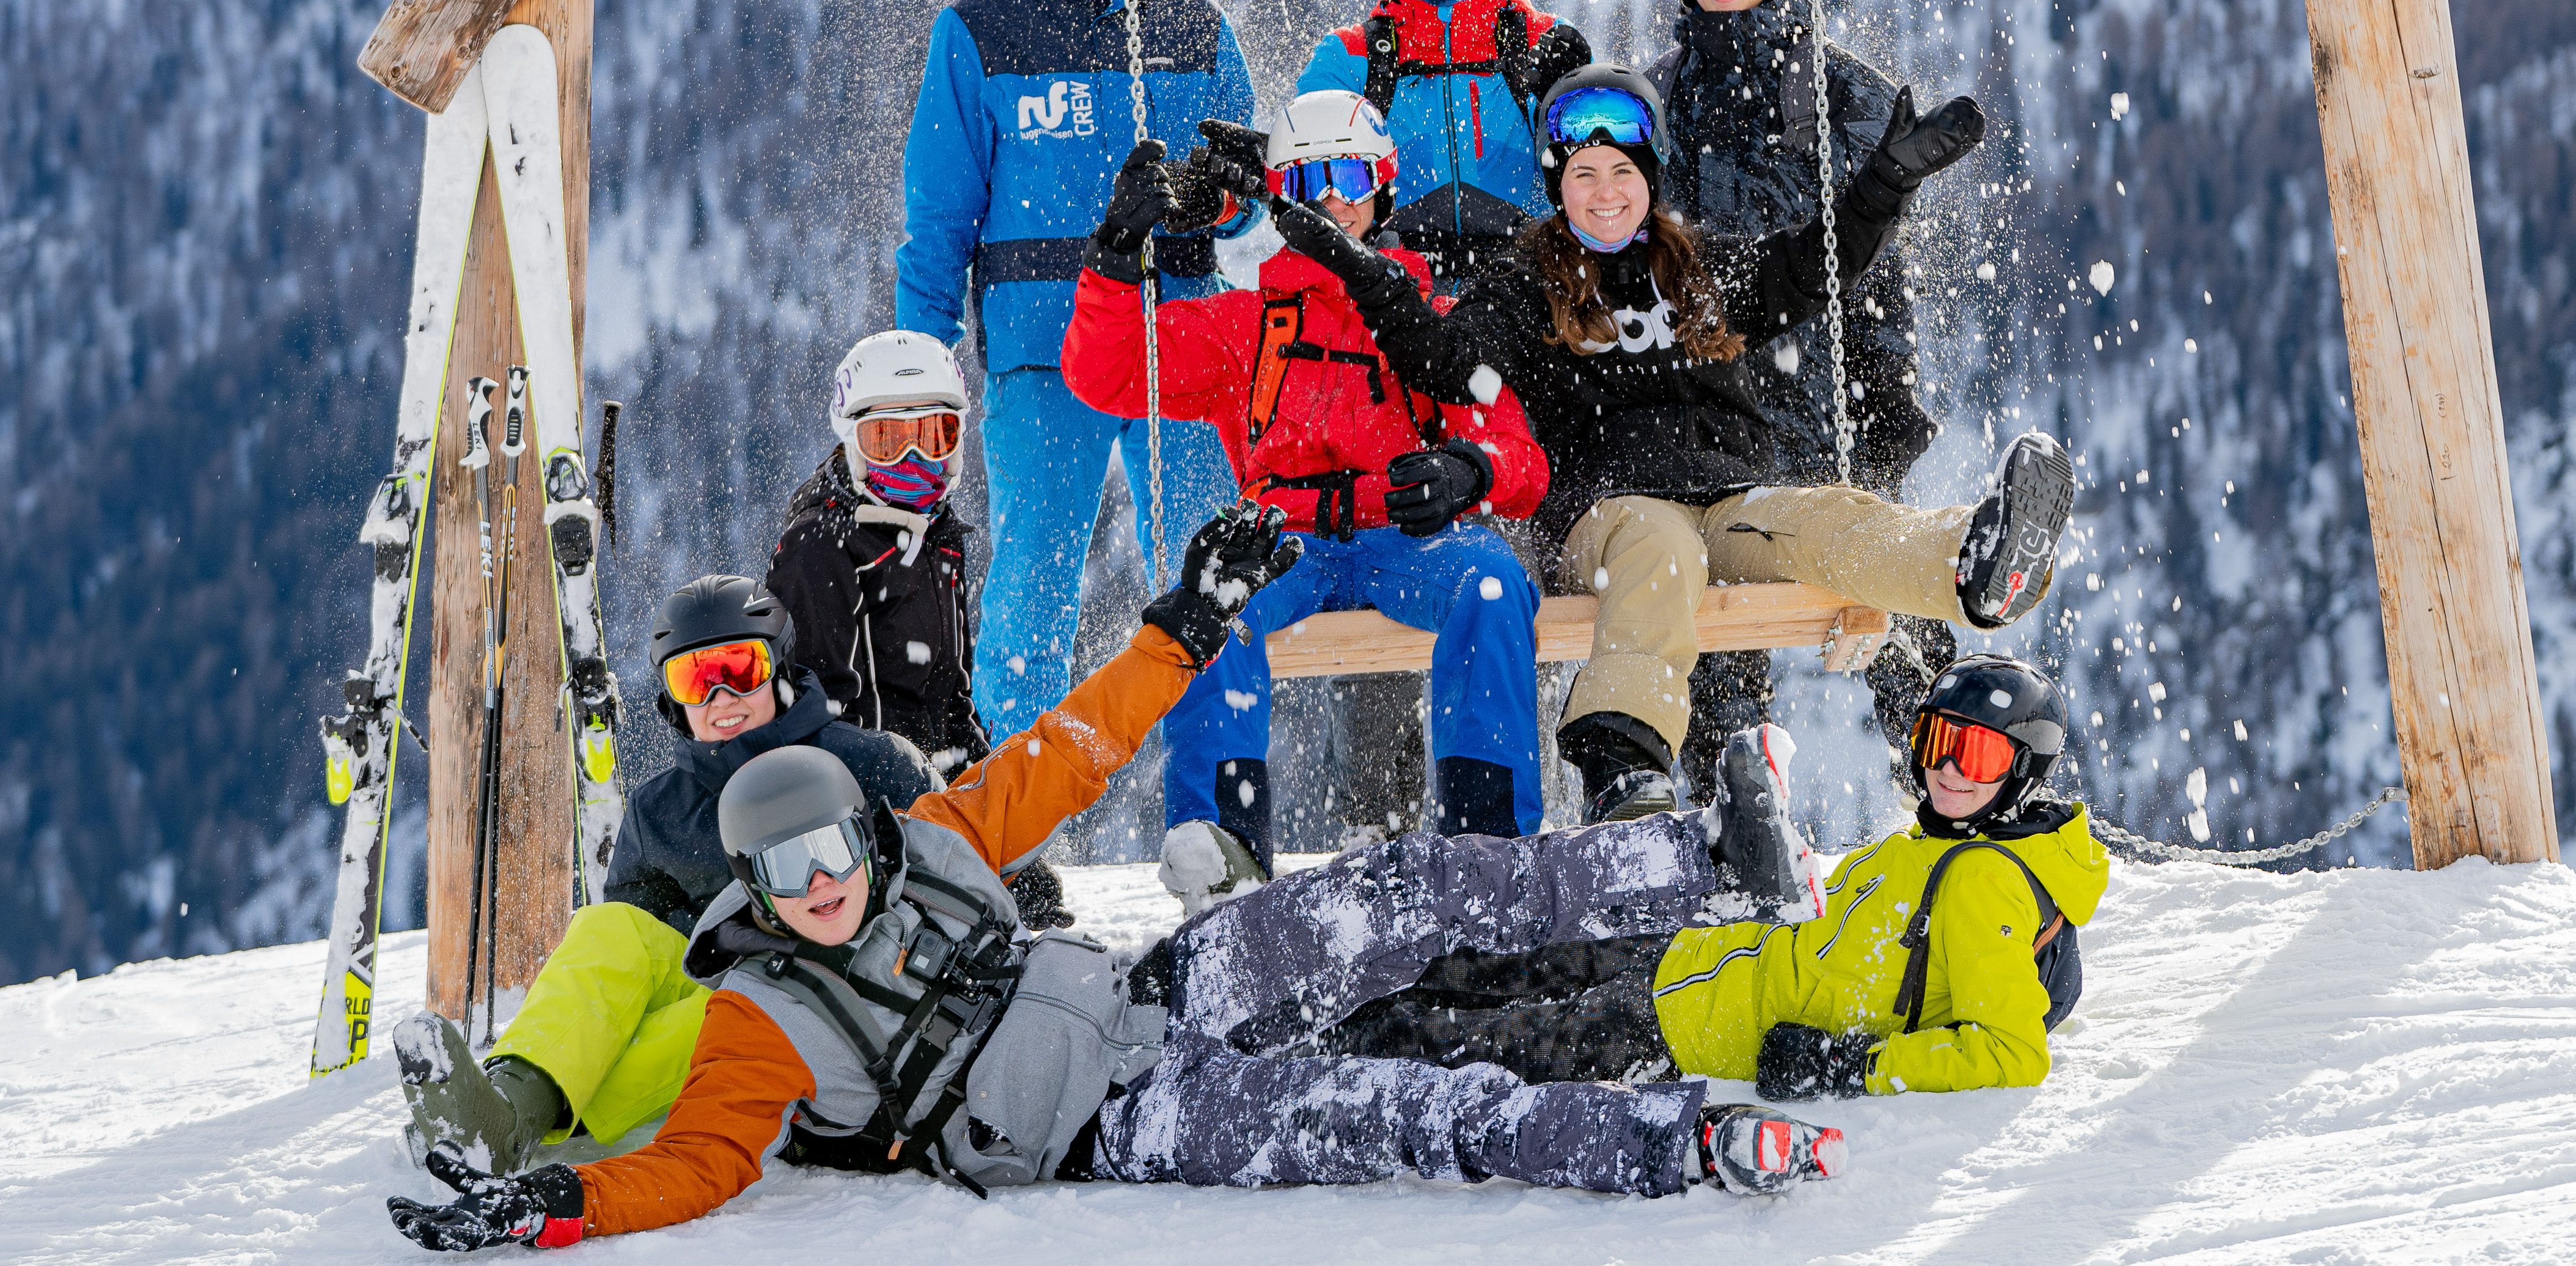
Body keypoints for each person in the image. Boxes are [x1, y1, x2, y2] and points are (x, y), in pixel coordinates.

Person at [384, 515, 1847, 1248]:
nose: (822, 888)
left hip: (1142, 990)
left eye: (833, 849)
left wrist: (1186, 622)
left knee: (1394, 889)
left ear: (862, 828)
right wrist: (553, 1200)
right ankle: (1690, 1145)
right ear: (752, 896)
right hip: (1112, 1116)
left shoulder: (936, 833)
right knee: (1398, 1110)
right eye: (787, 878)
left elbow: (1075, 749)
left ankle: (1706, 854)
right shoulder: (762, 1018)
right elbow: (694, 1162)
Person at [1257, 61, 2078, 822]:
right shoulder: (1525, 286)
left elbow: (1815, 267)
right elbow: (1442, 363)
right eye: (1583, 175)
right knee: (1658, 550)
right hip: (1603, 517)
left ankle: (1973, 560)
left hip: (1727, 501)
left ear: (1649, 179)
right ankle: (1625, 760)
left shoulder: (1703, 267)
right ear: (1557, 186)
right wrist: (1354, 262)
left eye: (1622, 172)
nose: (1605, 194)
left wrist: (1884, 184)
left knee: (1822, 520)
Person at [1065, 94, 1550, 913]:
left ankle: (1487, 837)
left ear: (1385, 190)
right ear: (1285, 198)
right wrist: (1116, 255)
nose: (1334, 201)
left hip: (1410, 533)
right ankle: (1223, 842)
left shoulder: (1425, 320)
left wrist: (1472, 470)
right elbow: (1109, 372)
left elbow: (1521, 457)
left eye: (1352, 178)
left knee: (1494, 588)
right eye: (1312, 181)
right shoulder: (1249, 326)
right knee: (1213, 602)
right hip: (1285, 534)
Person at [894, 0, 1263, 740]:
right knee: (1032, 588)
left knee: (1208, 579)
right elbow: (938, 222)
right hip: (1043, 346)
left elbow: (1256, 220)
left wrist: (1220, 201)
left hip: (1180, 338)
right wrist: (920, 376)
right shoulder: (979, 29)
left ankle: (1214, 809)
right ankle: (1010, 832)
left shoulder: (1195, 26)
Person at [1326, 655, 2105, 1098]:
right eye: (1938, 739)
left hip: (1692, 1030)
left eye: (1977, 755)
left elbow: (2011, 1051)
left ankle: (1289, 1051)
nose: (1945, 769)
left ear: (2026, 770)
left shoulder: (1986, 881)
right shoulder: (1938, 844)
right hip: (1691, 959)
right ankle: (1310, 997)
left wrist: (1854, 1066)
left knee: (1466, 1039)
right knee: (1482, 968)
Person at [391, 576, 942, 1175]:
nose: (722, 695)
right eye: (695, 679)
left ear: (779, 668)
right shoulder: (661, 809)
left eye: (740, 666)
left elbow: (954, 862)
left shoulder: (871, 764)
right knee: (611, 931)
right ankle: (501, 1109)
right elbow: (632, 955)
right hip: (723, 987)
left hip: (844, 996)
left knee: (724, 1008)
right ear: (672, 700)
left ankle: (512, 1124)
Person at [1648, 0, 1953, 791]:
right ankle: (1733, 826)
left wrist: (1888, 407)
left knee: (1890, 604)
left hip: (1826, 399)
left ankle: (1959, 791)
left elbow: (1877, 272)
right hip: (1714, 414)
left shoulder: (1841, 95)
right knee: (1716, 639)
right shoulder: (1659, 102)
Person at [1295, 0, 1593, 284]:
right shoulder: (1353, 56)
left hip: (1526, 284)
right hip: (1395, 290)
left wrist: (1575, 92)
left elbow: (1602, 168)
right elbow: (1307, 176)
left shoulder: (1538, 43)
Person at [765, 330, 989, 780]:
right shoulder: (821, 544)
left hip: (933, 795)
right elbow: (814, 718)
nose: (913, 459)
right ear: (853, 444)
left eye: (933, 437)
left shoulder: (939, 535)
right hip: (867, 804)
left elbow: (953, 701)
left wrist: (985, 784)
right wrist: (899, 794)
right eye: (886, 441)